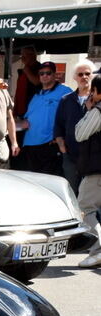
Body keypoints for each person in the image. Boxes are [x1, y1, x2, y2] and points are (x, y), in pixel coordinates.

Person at [21, 62, 73, 176]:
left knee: (50, 181)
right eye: (41, 73)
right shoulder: (36, 95)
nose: (44, 76)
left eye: (48, 73)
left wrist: (61, 136)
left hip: (49, 145)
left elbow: (72, 115)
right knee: (33, 182)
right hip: (31, 145)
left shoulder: (65, 91)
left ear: (55, 74)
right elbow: (27, 119)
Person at [73, 75, 101, 267]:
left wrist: (89, 111)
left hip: (96, 170)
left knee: (85, 207)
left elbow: (79, 133)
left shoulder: (97, 111)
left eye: (93, 90)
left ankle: (98, 250)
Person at [55, 60, 95, 192]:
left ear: (92, 76)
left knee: (89, 195)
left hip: (92, 157)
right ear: (75, 77)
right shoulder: (66, 100)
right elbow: (58, 126)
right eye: (80, 74)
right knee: (71, 191)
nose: (84, 77)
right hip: (70, 156)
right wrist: (62, 148)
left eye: (87, 73)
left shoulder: (98, 100)